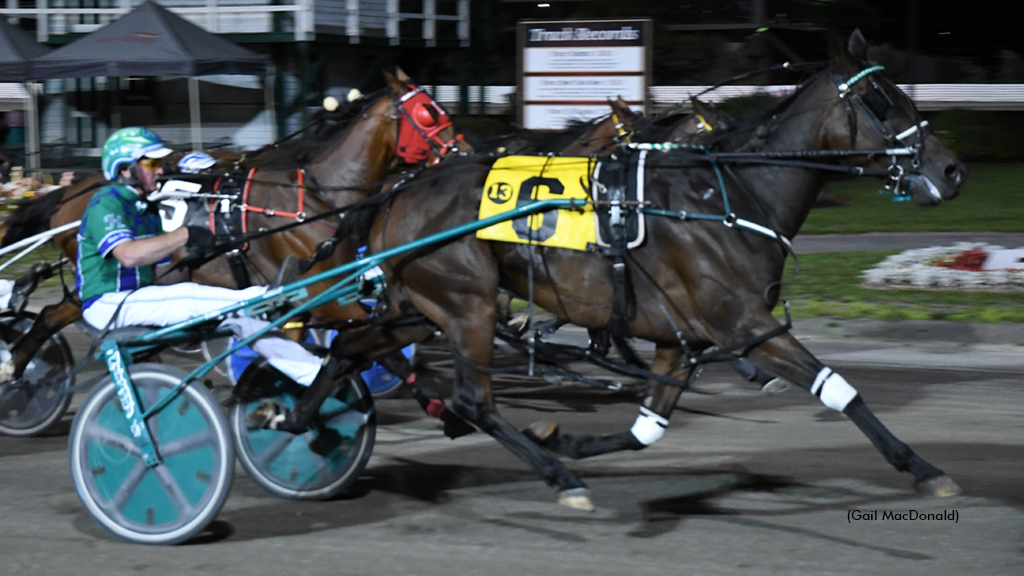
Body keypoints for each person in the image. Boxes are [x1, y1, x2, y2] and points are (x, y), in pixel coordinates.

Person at [76, 127, 322, 386]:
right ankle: (264, 297)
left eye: (161, 163)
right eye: (152, 163)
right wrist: (184, 235)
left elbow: (161, 277)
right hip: (106, 305)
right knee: (190, 297)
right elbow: (127, 256)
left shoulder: (147, 211)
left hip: (136, 300)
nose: (161, 170)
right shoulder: (106, 202)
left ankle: (313, 374)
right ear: (124, 168)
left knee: (242, 318)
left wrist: (195, 259)